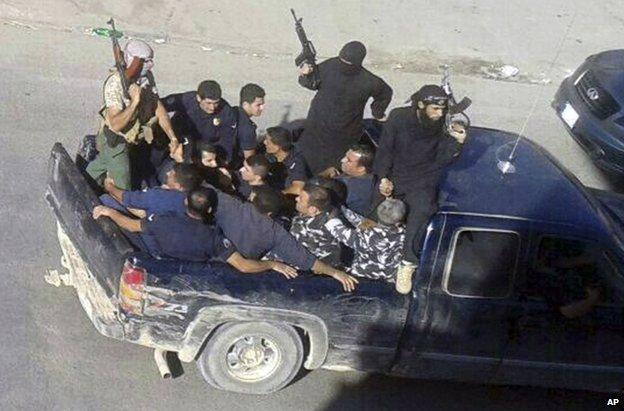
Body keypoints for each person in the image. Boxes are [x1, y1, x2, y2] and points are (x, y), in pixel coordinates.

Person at [373, 84, 467, 294]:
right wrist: (384, 178)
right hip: (396, 174)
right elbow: (386, 149)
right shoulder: (399, 117)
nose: (439, 113)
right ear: (421, 104)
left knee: (422, 211)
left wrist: (457, 143)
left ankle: (407, 264)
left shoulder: (443, 124)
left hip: (424, 178)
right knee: (376, 211)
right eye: (435, 108)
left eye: (442, 109)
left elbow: (442, 159)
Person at [92, 187, 297, 278]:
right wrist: (272, 264)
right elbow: (243, 266)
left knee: (107, 199)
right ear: (209, 211)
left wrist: (108, 211)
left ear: (185, 202)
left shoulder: (164, 221)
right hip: (183, 269)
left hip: (156, 254)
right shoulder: (213, 238)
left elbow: (130, 225)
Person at [210, 188, 358, 291]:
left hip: (207, 260)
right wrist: (335, 273)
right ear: (271, 213)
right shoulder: (275, 233)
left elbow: (204, 188)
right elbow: (307, 261)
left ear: (252, 199)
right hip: (231, 275)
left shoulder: (230, 205)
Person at [86, 39, 180, 190]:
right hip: (116, 141)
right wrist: (135, 102)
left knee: (107, 165)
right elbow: (116, 125)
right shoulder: (115, 84)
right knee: (124, 186)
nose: (151, 65)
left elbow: (158, 107)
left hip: (134, 137)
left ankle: (85, 178)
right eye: (146, 61)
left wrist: (172, 137)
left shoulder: (146, 77)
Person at [297, 40, 393, 175]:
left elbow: (310, 83)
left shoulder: (332, 66)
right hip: (330, 128)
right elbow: (385, 93)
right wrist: (378, 113)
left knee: (322, 163)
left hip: (333, 129)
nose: (343, 65)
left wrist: (303, 75)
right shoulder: (368, 80)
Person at [324, 198, 406, 282]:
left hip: (362, 277)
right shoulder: (404, 235)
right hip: (389, 278)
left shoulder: (366, 236)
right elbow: (363, 222)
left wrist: (332, 215)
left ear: (378, 214)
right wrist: (344, 211)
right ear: (398, 222)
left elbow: (339, 231)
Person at [161, 80, 239, 164]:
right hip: (181, 138)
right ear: (198, 98)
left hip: (206, 147)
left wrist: (222, 163)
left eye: (216, 103)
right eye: (208, 103)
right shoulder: (187, 99)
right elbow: (159, 105)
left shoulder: (227, 113)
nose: (212, 108)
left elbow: (227, 142)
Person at [100, 162, 201, 217]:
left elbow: (138, 210)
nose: (167, 173)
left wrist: (110, 188)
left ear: (178, 186)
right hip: (155, 203)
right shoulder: (192, 198)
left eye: (171, 174)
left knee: (106, 199)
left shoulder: (162, 198)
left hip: (147, 228)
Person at [290, 184, 343, 266]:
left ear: (312, 209)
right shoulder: (333, 210)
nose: (296, 198)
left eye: (301, 199)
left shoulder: (305, 228)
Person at [263, 126, 310, 195]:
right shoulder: (268, 154)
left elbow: (298, 188)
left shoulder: (296, 161)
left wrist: (277, 195)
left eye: (268, 141)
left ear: (277, 147)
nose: (264, 142)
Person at [335, 144, 375, 215]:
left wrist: (325, 174)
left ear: (361, 168)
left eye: (348, 160)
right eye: (345, 156)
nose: (342, 160)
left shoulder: (350, 188)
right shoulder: (371, 178)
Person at [233, 83, 266, 161]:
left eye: (262, 104)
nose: (262, 108)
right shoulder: (248, 129)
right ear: (245, 104)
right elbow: (250, 161)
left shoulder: (233, 111)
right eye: (258, 105)